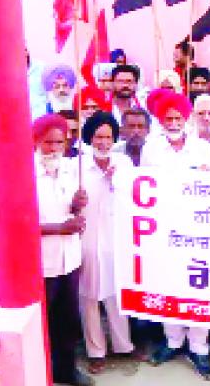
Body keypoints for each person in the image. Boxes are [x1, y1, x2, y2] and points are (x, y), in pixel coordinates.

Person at [140, 92, 210, 380]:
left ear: (186, 119)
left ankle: (199, 347)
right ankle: (173, 341)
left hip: (198, 229)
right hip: (164, 228)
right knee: (168, 284)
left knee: (198, 287)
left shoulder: (202, 149)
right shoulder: (152, 149)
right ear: (161, 121)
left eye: (178, 118)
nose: (173, 122)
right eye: (168, 118)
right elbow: (145, 188)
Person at [32, 113, 93, 386]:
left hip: (70, 258)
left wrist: (78, 205)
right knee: (44, 323)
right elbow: (20, 224)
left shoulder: (70, 168)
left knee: (68, 321)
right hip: (43, 263)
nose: (55, 149)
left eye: (59, 143)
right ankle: (41, 372)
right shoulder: (26, 175)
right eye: (48, 143)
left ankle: (66, 371)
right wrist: (60, 228)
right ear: (35, 142)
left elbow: (70, 210)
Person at [78, 112, 135, 374]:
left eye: (108, 136)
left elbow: (134, 196)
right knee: (88, 296)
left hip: (117, 237)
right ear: (89, 138)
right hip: (87, 239)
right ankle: (95, 351)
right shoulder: (76, 165)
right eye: (98, 136)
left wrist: (116, 181)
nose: (103, 142)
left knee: (118, 293)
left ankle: (124, 345)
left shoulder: (123, 163)